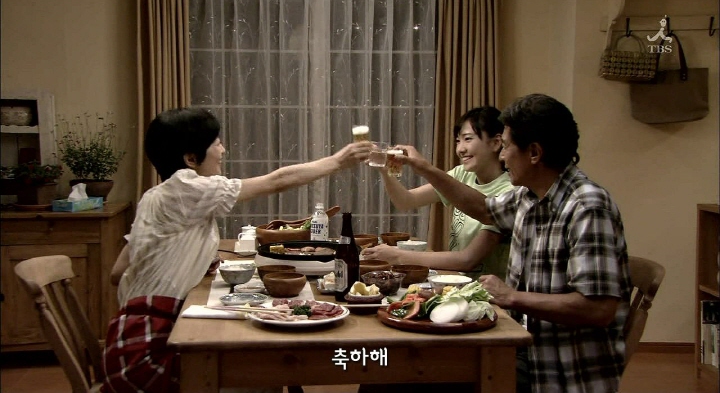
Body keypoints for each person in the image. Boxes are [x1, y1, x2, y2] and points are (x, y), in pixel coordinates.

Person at [102, 107, 372, 393]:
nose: (223, 150)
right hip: (151, 352)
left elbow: (118, 273)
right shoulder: (184, 186)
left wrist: (185, 262)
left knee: (262, 356)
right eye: (217, 144)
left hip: (125, 343)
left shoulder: (154, 196)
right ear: (191, 159)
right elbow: (277, 181)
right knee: (266, 367)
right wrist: (338, 161)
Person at [393, 94, 632, 393]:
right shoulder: (528, 196)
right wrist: (424, 168)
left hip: (556, 368)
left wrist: (511, 296)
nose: (503, 157)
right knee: (396, 373)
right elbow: (483, 208)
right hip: (519, 342)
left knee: (407, 379)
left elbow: (598, 308)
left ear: (534, 153)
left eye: (506, 146)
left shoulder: (587, 206)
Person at [361, 107, 515, 280]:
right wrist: (384, 169)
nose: (460, 149)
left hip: (486, 290)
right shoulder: (461, 174)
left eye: (468, 139)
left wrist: (398, 256)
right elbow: (405, 201)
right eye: (458, 141)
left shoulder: (509, 193)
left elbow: (468, 259)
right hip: (456, 282)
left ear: (496, 143)